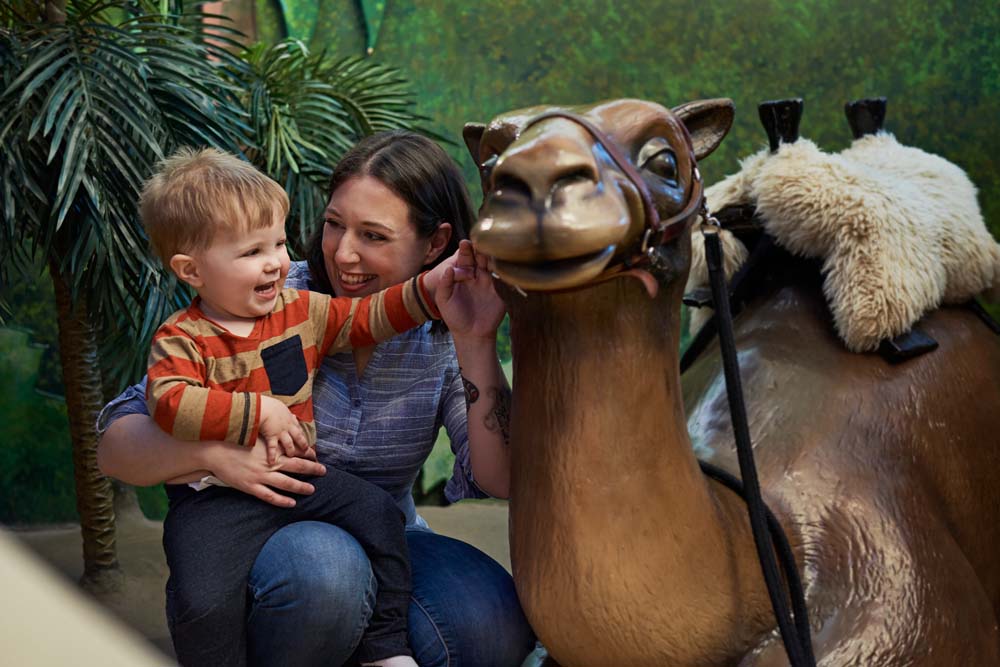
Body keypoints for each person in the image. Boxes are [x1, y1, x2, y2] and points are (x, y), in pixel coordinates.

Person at [97, 131, 536, 667]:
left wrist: (473, 337)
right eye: (334, 225)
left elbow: (501, 478)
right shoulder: (260, 304)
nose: (343, 252)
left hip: (375, 528)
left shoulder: (376, 326)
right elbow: (120, 441)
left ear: (435, 244)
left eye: (373, 235)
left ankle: (369, 643)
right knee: (325, 572)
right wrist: (216, 455)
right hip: (272, 534)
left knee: (489, 625)